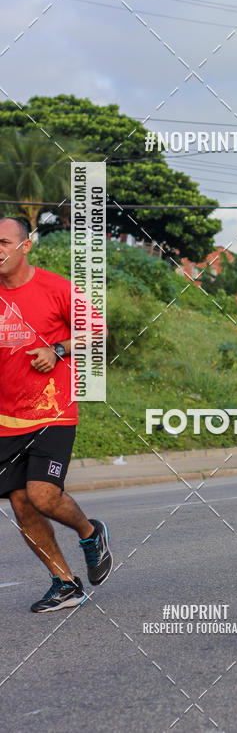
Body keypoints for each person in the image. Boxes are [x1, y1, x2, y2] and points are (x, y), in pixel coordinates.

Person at [0, 217, 112, 612]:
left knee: (42, 494)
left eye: (3, 242)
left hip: (52, 411)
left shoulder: (55, 287)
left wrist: (59, 349)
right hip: (6, 419)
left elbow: (99, 331)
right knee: (20, 503)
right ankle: (65, 584)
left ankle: (89, 531)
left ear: (26, 245)